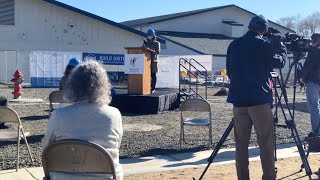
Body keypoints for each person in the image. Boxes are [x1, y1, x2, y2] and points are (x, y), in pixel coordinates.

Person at [226, 15, 287, 180]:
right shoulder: (263, 45)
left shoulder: (234, 45)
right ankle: (268, 176)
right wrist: (281, 48)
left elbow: (230, 72)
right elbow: (279, 63)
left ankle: (243, 177)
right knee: (265, 142)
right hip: (259, 101)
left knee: (241, 145)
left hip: (239, 101)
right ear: (265, 30)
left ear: (249, 27)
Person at [42, 61, 123, 179]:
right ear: (103, 85)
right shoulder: (114, 115)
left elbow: (46, 150)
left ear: (72, 85)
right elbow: (116, 145)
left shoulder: (58, 115)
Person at [301, 33, 320, 135]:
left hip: (314, 81)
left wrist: (303, 77)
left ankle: (317, 132)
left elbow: (308, 65)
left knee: (314, 106)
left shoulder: (314, 51)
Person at [143, 29, 161, 93]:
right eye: (148, 35)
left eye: (151, 35)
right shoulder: (146, 43)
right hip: (146, 61)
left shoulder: (157, 43)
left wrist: (150, 50)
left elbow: (158, 52)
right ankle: (147, 87)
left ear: (153, 36)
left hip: (154, 61)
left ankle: (153, 88)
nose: (149, 36)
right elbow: (144, 51)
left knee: (153, 75)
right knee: (147, 75)